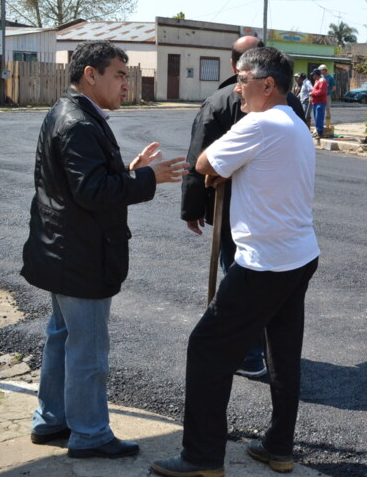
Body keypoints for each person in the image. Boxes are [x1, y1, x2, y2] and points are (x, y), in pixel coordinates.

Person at [152, 47, 320, 477]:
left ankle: (201, 457)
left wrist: (219, 171)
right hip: (299, 255)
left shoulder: (260, 123)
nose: (236, 89)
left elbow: (205, 160)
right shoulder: (298, 125)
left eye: (243, 80)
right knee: (283, 355)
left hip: (264, 263)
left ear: (268, 85)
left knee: (206, 348)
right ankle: (279, 448)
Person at [21, 40, 188, 459]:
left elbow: (82, 182)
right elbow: (92, 191)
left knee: (62, 338)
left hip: (64, 251)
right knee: (88, 348)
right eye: (119, 74)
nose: (125, 83)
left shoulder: (73, 112)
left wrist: (130, 170)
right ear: (90, 75)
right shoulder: (78, 121)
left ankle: (52, 418)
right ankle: (90, 433)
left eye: (126, 75)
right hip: (80, 257)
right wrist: (150, 178)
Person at [181, 35, 305, 378]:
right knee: (265, 291)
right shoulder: (289, 104)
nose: (239, 87)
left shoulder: (221, 103)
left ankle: (248, 355)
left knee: (237, 284)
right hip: (281, 214)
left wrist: (193, 208)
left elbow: (199, 160)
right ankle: (262, 351)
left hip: (238, 213)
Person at [310, 68, 328, 138]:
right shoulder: (316, 81)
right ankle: (318, 131)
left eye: (313, 75)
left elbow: (321, 92)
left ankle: (320, 132)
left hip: (320, 102)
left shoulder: (322, 81)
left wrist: (312, 93)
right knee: (316, 117)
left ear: (316, 74)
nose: (312, 76)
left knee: (319, 117)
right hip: (315, 102)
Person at [318, 64, 335, 128]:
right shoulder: (321, 77)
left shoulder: (330, 77)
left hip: (327, 96)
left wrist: (328, 92)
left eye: (321, 70)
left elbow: (334, 87)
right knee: (320, 109)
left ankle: (327, 125)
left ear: (325, 70)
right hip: (320, 96)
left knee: (327, 109)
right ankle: (321, 125)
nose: (320, 71)